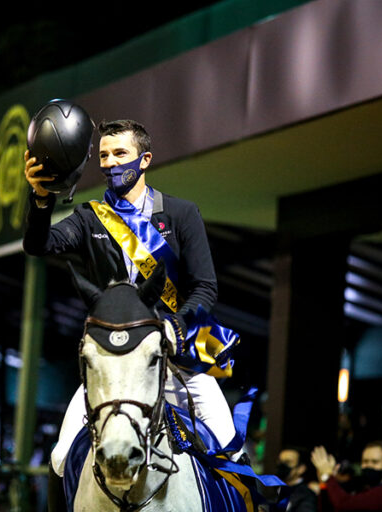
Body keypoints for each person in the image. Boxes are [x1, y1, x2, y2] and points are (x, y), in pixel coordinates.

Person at [24, 119, 237, 509]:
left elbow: (205, 286)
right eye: (103, 155)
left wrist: (176, 325)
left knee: (232, 453)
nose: (109, 162)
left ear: (144, 159)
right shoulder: (90, 218)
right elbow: (40, 244)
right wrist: (40, 198)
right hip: (115, 366)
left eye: (120, 153)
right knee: (59, 457)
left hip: (177, 359)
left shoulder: (181, 213)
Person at [312, 441, 382, 511]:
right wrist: (324, 484)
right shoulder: (364, 488)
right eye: (365, 461)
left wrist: (328, 476)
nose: (369, 466)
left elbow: (344, 505)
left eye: (375, 462)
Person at [271, 446, 317, 512]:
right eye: (280, 461)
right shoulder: (275, 489)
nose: (282, 465)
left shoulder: (307, 496)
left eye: (288, 462)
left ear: (301, 469)